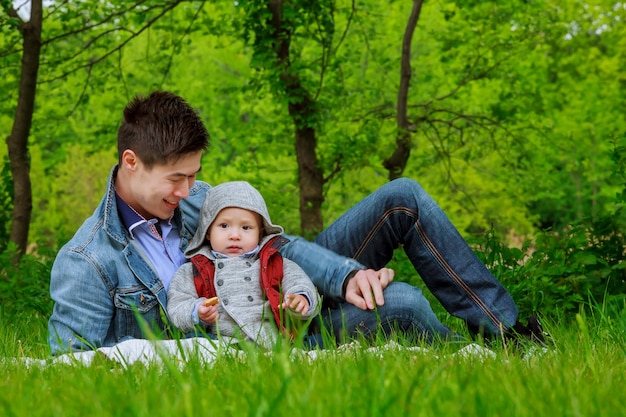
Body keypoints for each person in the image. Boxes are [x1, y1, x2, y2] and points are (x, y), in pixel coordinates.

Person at [48, 90, 543, 356]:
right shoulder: (87, 261)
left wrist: (345, 275)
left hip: (284, 286)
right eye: (176, 179)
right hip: (261, 334)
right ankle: (460, 353)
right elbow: (72, 367)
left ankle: (507, 333)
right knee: (404, 302)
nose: (187, 192)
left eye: (194, 177)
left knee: (403, 197)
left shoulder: (195, 198)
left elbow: (277, 246)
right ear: (131, 162)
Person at [166, 181, 320, 348]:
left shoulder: (274, 263)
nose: (234, 235)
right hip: (220, 342)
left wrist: (301, 299)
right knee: (192, 344)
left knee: (316, 343)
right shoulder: (194, 270)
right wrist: (196, 312)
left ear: (260, 233)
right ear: (208, 232)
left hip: (272, 340)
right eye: (224, 226)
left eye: (246, 227)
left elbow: (300, 283)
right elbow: (177, 305)